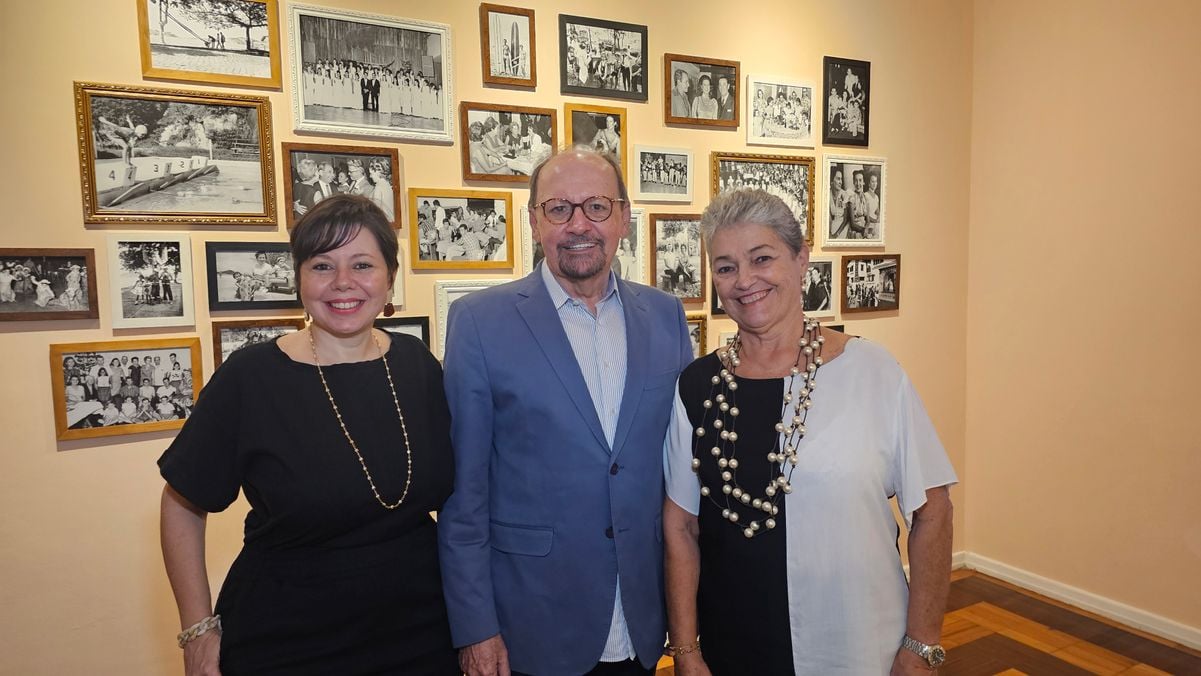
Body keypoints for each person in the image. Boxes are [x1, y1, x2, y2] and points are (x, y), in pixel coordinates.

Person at [158, 194, 458, 675]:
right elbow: (182, 503)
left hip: (422, 632)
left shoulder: (418, 365)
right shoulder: (252, 376)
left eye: (362, 264)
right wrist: (198, 629)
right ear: (299, 279)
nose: (344, 283)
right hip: (289, 639)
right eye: (322, 266)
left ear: (389, 278)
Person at [663, 189, 956, 675]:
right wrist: (686, 651)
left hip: (861, 643)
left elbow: (933, 510)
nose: (745, 280)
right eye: (726, 266)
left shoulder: (873, 372)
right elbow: (681, 527)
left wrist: (922, 643)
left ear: (802, 260)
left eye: (762, 258)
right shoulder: (698, 387)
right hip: (734, 645)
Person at [439, 146, 694, 676]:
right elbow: (464, 496)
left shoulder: (666, 316)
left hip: (645, 620)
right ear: (535, 222)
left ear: (623, 217)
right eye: (559, 209)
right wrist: (475, 627)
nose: (579, 224)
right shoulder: (480, 323)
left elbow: (680, 474)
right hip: (531, 626)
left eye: (597, 206)